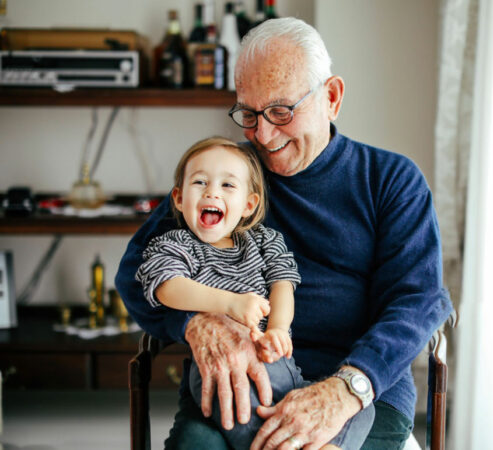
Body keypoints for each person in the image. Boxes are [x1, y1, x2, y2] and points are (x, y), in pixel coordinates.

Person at [116, 17, 453, 450]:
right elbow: (137, 271)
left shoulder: (390, 179)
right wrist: (196, 320)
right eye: (249, 114)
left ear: (331, 97)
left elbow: (417, 301)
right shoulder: (226, 176)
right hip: (238, 384)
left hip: (359, 392)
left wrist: (344, 391)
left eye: (281, 111)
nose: (264, 135)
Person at [134, 137, 374, 449]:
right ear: (178, 198)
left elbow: (283, 285)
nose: (212, 192)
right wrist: (229, 303)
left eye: (227, 185)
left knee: (360, 410)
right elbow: (166, 286)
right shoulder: (176, 244)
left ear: (249, 204)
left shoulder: (264, 241)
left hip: (280, 365)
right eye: (200, 182)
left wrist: (277, 328)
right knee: (240, 406)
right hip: (222, 369)